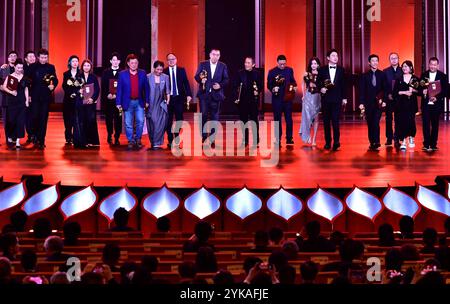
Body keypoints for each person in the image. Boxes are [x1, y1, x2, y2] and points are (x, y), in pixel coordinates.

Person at [194, 48, 229, 145]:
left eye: (218, 55)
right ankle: (204, 137)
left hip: (216, 95)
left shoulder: (222, 66)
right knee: (204, 115)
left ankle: (212, 138)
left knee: (215, 117)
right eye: (214, 54)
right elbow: (196, 76)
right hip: (204, 95)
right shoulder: (203, 64)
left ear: (219, 56)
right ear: (210, 55)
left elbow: (226, 79)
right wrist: (201, 80)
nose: (215, 56)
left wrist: (220, 85)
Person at [116, 54, 149, 150]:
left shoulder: (143, 73)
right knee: (128, 123)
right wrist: (118, 102)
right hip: (127, 102)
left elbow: (146, 89)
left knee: (140, 121)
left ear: (137, 63)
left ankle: (138, 139)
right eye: (132, 63)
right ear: (128, 63)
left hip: (139, 102)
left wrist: (147, 100)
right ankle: (130, 140)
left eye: (135, 63)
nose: (134, 65)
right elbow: (119, 90)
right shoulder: (122, 74)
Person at [28, 48, 58, 150]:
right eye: (42, 57)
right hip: (34, 96)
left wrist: (52, 85)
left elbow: (55, 79)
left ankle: (42, 140)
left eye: (45, 58)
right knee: (34, 117)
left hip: (45, 97)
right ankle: (35, 135)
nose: (44, 59)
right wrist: (28, 94)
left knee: (43, 119)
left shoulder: (51, 67)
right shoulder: (32, 67)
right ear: (38, 57)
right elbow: (27, 80)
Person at [318, 49, 347, 151]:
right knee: (326, 122)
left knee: (335, 121)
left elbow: (344, 85)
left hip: (337, 99)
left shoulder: (341, 70)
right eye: (333, 55)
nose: (336, 57)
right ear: (328, 58)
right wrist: (321, 88)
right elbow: (318, 83)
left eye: (337, 56)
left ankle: (337, 142)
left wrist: (344, 98)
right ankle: (327, 142)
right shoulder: (322, 70)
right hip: (325, 99)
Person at [267, 55, 297, 146]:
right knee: (277, 120)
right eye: (281, 64)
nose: (283, 66)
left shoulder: (289, 70)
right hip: (277, 99)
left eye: (284, 64)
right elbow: (269, 84)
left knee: (289, 119)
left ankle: (289, 138)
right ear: (277, 62)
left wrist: (294, 87)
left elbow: (293, 82)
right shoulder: (272, 72)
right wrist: (273, 88)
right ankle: (277, 139)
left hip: (287, 99)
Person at [164, 53, 192, 148]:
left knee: (180, 119)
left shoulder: (181, 70)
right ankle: (170, 140)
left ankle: (176, 137)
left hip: (179, 98)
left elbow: (186, 83)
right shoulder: (164, 72)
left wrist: (189, 94)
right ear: (167, 61)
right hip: (168, 99)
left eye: (173, 59)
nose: (171, 61)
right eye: (169, 59)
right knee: (168, 120)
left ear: (176, 60)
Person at [420, 57, 448, 152]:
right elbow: (420, 88)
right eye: (431, 64)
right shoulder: (424, 75)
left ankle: (433, 144)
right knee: (425, 124)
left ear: (438, 65)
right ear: (429, 64)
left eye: (434, 64)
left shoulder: (443, 76)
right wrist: (422, 91)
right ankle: (426, 144)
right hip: (426, 104)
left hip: (436, 104)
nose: (432, 66)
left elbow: (446, 91)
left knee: (435, 125)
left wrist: (437, 97)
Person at [234, 56, 263, 147]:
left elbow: (261, 86)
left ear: (253, 64)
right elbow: (236, 85)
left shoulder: (257, 74)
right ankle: (245, 140)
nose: (246, 64)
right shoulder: (240, 73)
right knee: (244, 121)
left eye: (248, 63)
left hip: (253, 101)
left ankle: (256, 140)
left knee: (254, 121)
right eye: (245, 62)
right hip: (243, 101)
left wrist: (257, 90)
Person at [359, 54, 386, 151]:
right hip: (368, 104)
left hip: (378, 103)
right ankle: (372, 142)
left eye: (376, 60)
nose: (375, 62)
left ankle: (377, 141)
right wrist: (361, 103)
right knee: (370, 123)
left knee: (376, 122)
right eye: (373, 61)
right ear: (369, 63)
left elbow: (385, 89)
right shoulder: (364, 76)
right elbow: (361, 90)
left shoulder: (382, 74)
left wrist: (384, 101)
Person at [1, 59, 30, 149]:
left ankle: (18, 141)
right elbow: (4, 87)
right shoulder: (10, 76)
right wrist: (11, 92)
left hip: (21, 101)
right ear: (15, 67)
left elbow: (26, 89)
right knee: (12, 121)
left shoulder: (24, 77)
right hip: (12, 102)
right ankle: (10, 137)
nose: (19, 69)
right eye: (18, 67)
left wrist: (26, 101)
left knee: (20, 121)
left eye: (21, 68)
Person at [393, 60, 419, 151]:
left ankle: (411, 137)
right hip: (401, 105)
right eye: (403, 66)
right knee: (402, 122)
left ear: (411, 67)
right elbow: (394, 93)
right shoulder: (399, 79)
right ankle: (403, 141)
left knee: (411, 121)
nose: (404, 68)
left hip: (411, 104)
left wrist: (413, 91)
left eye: (406, 66)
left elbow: (419, 91)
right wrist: (404, 92)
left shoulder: (415, 78)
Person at [73, 59, 100, 149]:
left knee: (90, 121)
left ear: (90, 67)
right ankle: (82, 142)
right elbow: (74, 89)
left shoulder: (94, 77)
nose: (86, 67)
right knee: (81, 122)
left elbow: (97, 89)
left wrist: (92, 98)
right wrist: (78, 91)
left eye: (88, 65)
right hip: (81, 103)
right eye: (85, 65)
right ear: (82, 67)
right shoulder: (78, 76)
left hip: (90, 103)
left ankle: (90, 141)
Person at [147, 60, 170, 150]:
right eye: (158, 69)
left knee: (160, 123)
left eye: (161, 69)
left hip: (161, 103)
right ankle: (153, 140)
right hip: (151, 103)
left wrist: (168, 100)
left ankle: (157, 142)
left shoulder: (165, 77)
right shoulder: (148, 76)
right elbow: (145, 90)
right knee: (151, 122)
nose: (159, 71)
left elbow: (167, 90)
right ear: (154, 68)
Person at [101, 52, 122, 146]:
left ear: (119, 61)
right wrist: (108, 94)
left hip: (119, 101)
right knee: (109, 119)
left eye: (117, 60)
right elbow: (103, 86)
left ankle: (117, 137)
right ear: (110, 61)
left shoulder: (123, 72)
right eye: (113, 60)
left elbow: (124, 87)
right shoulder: (106, 72)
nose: (115, 62)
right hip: (108, 100)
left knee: (118, 119)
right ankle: (109, 134)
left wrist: (117, 95)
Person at [300, 57, 321, 146]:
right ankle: (307, 136)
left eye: (315, 63)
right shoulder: (307, 74)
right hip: (308, 97)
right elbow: (303, 84)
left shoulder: (321, 74)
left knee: (316, 118)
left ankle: (314, 139)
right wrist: (303, 95)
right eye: (312, 63)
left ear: (318, 65)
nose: (313, 65)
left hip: (317, 97)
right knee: (307, 117)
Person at [383, 52, 403, 147]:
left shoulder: (403, 70)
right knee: (388, 119)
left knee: (398, 119)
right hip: (389, 99)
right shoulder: (385, 71)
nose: (394, 60)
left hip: (399, 99)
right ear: (389, 60)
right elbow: (384, 86)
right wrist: (388, 95)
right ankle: (389, 138)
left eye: (395, 58)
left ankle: (397, 138)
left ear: (398, 59)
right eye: (392, 58)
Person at [62, 55, 81, 145]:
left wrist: (76, 93)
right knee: (67, 119)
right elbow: (64, 86)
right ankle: (68, 136)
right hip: (68, 100)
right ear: (70, 62)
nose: (75, 63)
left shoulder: (81, 73)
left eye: (76, 61)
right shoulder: (66, 74)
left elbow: (82, 86)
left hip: (78, 99)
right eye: (73, 61)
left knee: (76, 119)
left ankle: (76, 136)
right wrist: (70, 93)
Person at [0, 51, 18, 145]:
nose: (13, 58)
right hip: (5, 98)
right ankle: (8, 138)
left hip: (16, 99)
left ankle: (14, 137)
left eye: (15, 56)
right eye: (11, 56)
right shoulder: (3, 69)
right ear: (8, 58)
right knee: (6, 120)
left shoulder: (19, 69)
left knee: (14, 119)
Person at [23, 50, 36, 144]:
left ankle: (35, 135)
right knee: (27, 116)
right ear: (26, 59)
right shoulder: (22, 68)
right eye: (30, 56)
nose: (32, 58)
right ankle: (30, 134)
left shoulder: (38, 67)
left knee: (36, 116)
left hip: (36, 96)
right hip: (25, 96)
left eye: (33, 56)